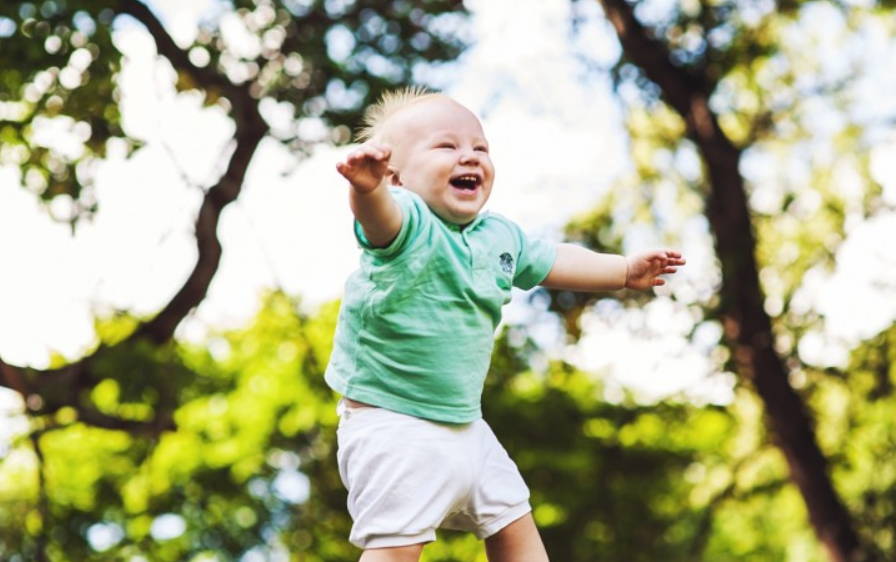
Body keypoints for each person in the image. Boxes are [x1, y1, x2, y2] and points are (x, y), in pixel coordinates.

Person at [326, 87, 685, 561]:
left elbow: (555, 259)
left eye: (479, 148)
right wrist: (365, 189)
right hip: (395, 425)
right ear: (396, 176)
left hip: (467, 427)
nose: (469, 156)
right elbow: (378, 219)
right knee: (396, 549)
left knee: (515, 525)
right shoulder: (407, 223)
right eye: (446, 146)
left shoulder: (498, 235)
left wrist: (622, 271)